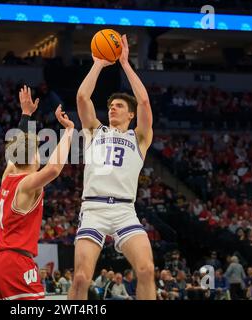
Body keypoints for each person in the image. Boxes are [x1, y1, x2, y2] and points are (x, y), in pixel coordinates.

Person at [70, 34, 155, 300]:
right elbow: (83, 97)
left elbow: (143, 102)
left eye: (118, 106)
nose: (112, 109)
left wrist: (126, 64)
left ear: (130, 115)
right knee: (81, 278)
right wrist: (98, 63)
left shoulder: (139, 138)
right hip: (94, 208)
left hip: (124, 210)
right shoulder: (95, 130)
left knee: (147, 270)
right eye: (110, 106)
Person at [0, 85, 74, 300]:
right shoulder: (26, 184)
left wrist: (26, 115)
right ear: (35, 157)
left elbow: (18, 149)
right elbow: (53, 169)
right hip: (15, 263)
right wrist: (68, 131)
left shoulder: (8, 176)